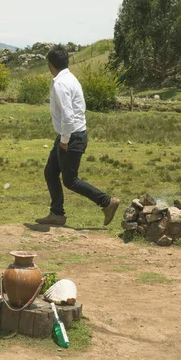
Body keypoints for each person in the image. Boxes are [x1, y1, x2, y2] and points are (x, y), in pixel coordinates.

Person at [35, 44, 119, 226]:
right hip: (72, 134)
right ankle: (57, 213)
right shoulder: (71, 78)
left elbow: (68, 115)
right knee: (50, 172)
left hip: (71, 136)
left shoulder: (60, 83)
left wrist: (64, 141)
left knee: (70, 180)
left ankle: (106, 202)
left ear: (50, 64)